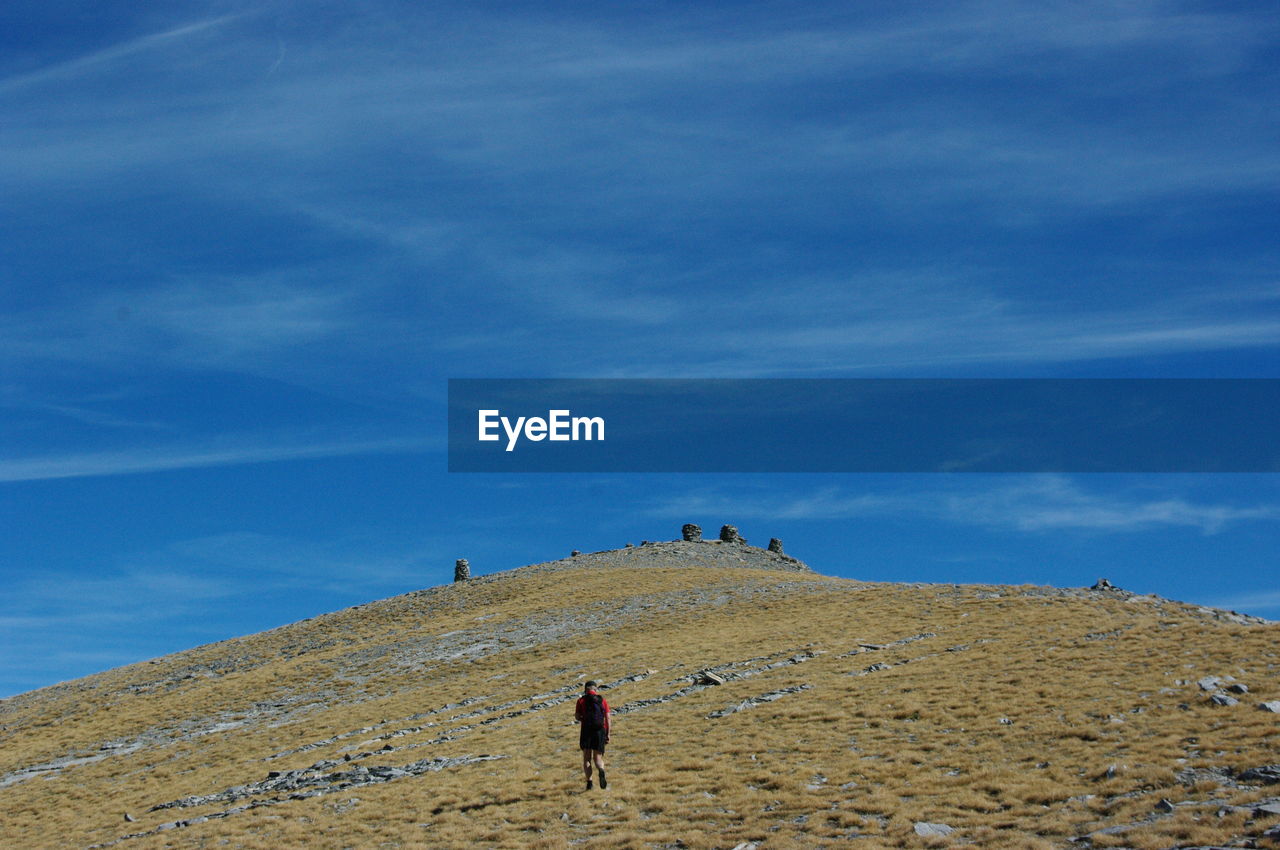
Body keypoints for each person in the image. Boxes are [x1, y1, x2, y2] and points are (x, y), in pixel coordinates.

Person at [574, 680, 611, 790]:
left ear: (585, 690)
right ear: (595, 689)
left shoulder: (581, 701)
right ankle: (601, 769)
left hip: (586, 730)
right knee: (598, 757)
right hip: (600, 730)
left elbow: (576, 716)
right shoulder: (602, 700)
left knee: (587, 758)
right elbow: (608, 718)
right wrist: (608, 733)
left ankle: (589, 783)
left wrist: (583, 719)